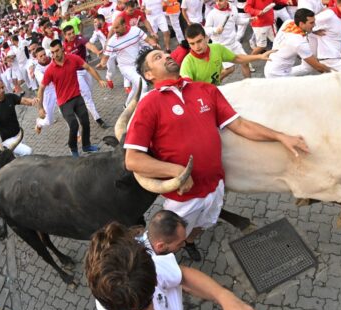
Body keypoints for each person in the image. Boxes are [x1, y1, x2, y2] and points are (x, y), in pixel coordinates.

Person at [125, 48, 309, 261]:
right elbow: (133, 160)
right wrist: (177, 171)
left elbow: (240, 125)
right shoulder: (149, 103)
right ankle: (153, 271)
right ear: (149, 75)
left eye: (166, 53)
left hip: (215, 185)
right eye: (157, 58)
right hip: (183, 196)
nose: (166, 56)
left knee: (205, 224)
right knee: (162, 244)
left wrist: (280, 137)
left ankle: (189, 242)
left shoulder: (205, 89)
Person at [87, 219, 260, 310]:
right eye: (148, 303)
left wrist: (226, 298)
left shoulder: (135, 270)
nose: (154, 307)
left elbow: (182, 275)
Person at [38, 39, 107, 157]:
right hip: (64, 103)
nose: (54, 55)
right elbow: (41, 88)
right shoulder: (50, 70)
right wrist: (40, 108)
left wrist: (99, 79)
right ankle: (73, 149)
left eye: (57, 51)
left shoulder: (73, 58)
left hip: (77, 97)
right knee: (73, 125)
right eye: (52, 52)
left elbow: (88, 68)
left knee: (85, 122)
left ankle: (86, 146)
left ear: (63, 49)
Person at [180, 23, 272, 85]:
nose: (196, 47)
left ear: (206, 38)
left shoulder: (217, 48)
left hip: (217, 91)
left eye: (199, 41)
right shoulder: (187, 63)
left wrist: (260, 56)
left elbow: (237, 58)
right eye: (192, 44)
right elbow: (187, 87)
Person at [97, 16, 157, 106]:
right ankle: (141, 110)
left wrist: (154, 44)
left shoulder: (135, 30)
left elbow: (148, 40)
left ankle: (127, 105)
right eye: (114, 28)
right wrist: (102, 64)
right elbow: (105, 57)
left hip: (138, 65)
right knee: (143, 86)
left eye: (117, 27)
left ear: (124, 25)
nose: (115, 30)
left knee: (136, 88)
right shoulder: (112, 41)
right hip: (126, 67)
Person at [63, 25, 107, 129]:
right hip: (76, 74)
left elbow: (89, 45)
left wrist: (97, 52)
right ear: (64, 36)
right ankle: (98, 119)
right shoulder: (63, 46)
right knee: (87, 95)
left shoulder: (79, 38)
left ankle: (82, 103)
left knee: (89, 94)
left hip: (86, 69)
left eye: (73, 32)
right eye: (69, 34)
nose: (72, 35)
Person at [264, 8, 331, 77]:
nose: (314, 25)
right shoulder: (299, 43)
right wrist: (334, 73)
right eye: (311, 23)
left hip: (271, 67)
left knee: (308, 67)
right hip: (278, 75)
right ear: (301, 23)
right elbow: (318, 67)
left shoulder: (288, 22)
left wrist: (313, 31)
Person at [0, 79, 39, 156]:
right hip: (8, 141)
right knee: (28, 152)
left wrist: (33, 101)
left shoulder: (10, 97)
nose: (2, 90)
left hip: (19, 134)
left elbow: (24, 100)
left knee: (20, 161)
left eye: (2, 87)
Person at [205, 0, 252, 79]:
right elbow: (206, 30)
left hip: (234, 43)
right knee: (230, 69)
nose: (217, 3)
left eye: (220, 1)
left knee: (245, 62)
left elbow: (237, 20)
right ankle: (212, 84)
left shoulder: (233, 8)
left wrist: (249, 20)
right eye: (216, 1)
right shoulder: (212, 14)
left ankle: (249, 84)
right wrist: (215, 30)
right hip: (222, 46)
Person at [34, 47, 57, 133]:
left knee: (67, 111)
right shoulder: (37, 70)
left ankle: (77, 135)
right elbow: (46, 81)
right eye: (41, 56)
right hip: (47, 93)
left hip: (57, 88)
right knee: (49, 121)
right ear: (37, 58)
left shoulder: (52, 60)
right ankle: (39, 123)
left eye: (44, 54)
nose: (43, 57)